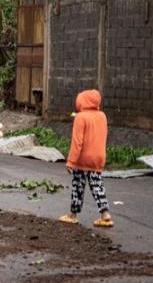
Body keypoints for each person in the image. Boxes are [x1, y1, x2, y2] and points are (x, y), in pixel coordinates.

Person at [59, 89, 114, 227]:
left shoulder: (81, 117)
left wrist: (71, 161)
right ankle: (105, 214)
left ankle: (72, 215)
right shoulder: (102, 116)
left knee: (78, 186)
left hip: (83, 158)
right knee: (97, 185)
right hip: (98, 157)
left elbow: (77, 142)